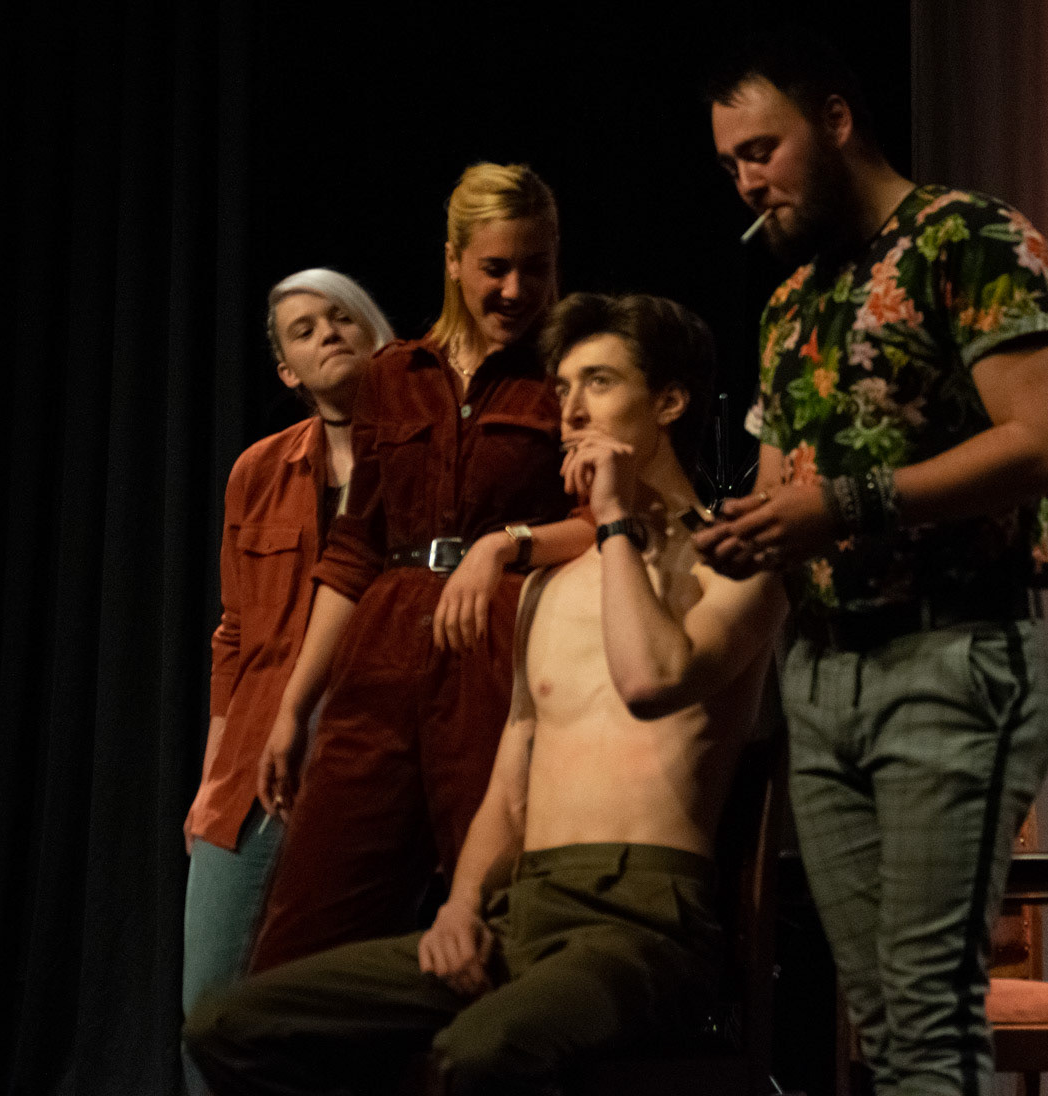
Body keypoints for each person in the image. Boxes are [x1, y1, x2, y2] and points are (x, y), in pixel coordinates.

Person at [185, 293, 788, 1096]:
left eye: (600, 383)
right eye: (563, 388)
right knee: (231, 1024)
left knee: (477, 1053)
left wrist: (613, 519)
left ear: (670, 402)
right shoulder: (549, 590)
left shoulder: (737, 566)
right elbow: (513, 776)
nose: (571, 411)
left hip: (646, 920)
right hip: (522, 907)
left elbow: (651, 680)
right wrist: (463, 906)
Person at [694, 29, 1048, 1096]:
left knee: (928, 1017)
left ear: (836, 120)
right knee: (882, 1026)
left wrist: (842, 505)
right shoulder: (790, 303)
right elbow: (783, 493)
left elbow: (1044, 443)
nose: (747, 181)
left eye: (762, 149)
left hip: (950, 655)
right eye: (730, 163)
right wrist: (739, 528)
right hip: (823, 675)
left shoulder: (971, 239)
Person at [249, 163, 595, 973]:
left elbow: (603, 523)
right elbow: (354, 549)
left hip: (499, 651)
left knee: (495, 928)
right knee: (303, 936)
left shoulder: (568, 376)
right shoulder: (393, 376)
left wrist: (505, 545)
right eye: (495, 268)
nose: (515, 290)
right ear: (452, 260)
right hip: (381, 657)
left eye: (535, 267)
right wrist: (293, 708)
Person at [183, 268, 395, 1029]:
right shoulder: (259, 471)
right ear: (287, 372)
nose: (328, 334)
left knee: (338, 1008)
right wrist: (212, 781)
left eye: (341, 317)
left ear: (374, 332)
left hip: (373, 757)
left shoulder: (422, 459)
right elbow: (235, 636)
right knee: (212, 1005)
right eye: (304, 331)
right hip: (255, 764)